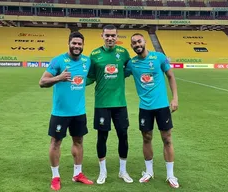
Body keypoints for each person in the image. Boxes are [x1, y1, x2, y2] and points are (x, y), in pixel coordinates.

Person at [39, 31, 93, 191]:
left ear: (83, 46)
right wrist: (59, 78)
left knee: (78, 141)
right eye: (74, 43)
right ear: (69, 43)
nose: (77, 46)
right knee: (56, 143)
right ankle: (55, 177)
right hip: (60, 113)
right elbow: (42, 82)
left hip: (78, 112)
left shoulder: (87, 61)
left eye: (79, 44)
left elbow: (87, 78)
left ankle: (78, 174)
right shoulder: (58, 61)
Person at [125, 33, 179, 188]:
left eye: (139, 41)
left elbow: (170, 76)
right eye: (133, 43)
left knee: (167, 139)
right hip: (145, 108)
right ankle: (149, 171)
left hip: (162, 106)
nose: (137, 44)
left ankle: (170, 175)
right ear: (132, 46)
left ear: (145, 42)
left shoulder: (159, 57)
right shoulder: (132, 63)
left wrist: (175, 98)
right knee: (147, 138)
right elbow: (119, 74)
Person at [86, 24, 133, 184]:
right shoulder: (95, 54)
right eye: (107, 35)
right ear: (102, 36)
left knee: (123, 136)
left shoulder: (123, 53)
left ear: (117, 36)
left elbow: (130, 68)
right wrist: (75, 84)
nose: (110, 38)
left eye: (113, 35)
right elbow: (90, 76)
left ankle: (123, 171)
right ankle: (103, 172)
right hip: (102, 104)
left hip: (120, 103)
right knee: (102, 137)